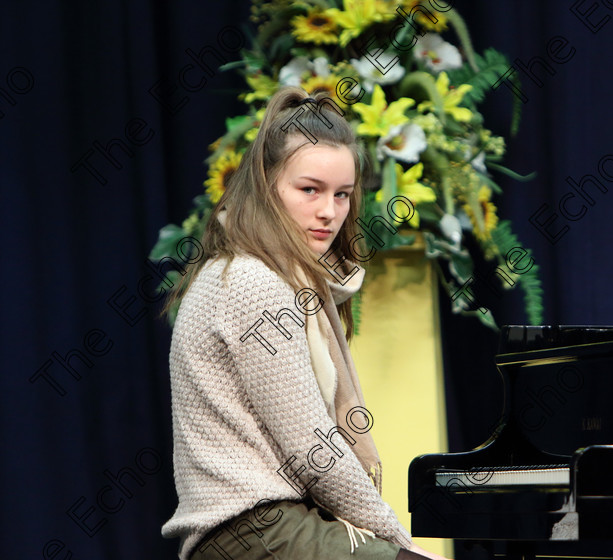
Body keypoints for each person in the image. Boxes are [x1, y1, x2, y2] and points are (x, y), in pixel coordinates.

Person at [160, 86, 449, 560]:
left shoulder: (276, 276)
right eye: (310, 189)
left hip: (272, 525)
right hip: (252, 529)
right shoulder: (255, 283)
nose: (329, 212)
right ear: (266, 183)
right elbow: (316, 454)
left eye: (342, 195)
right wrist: (403, 545)